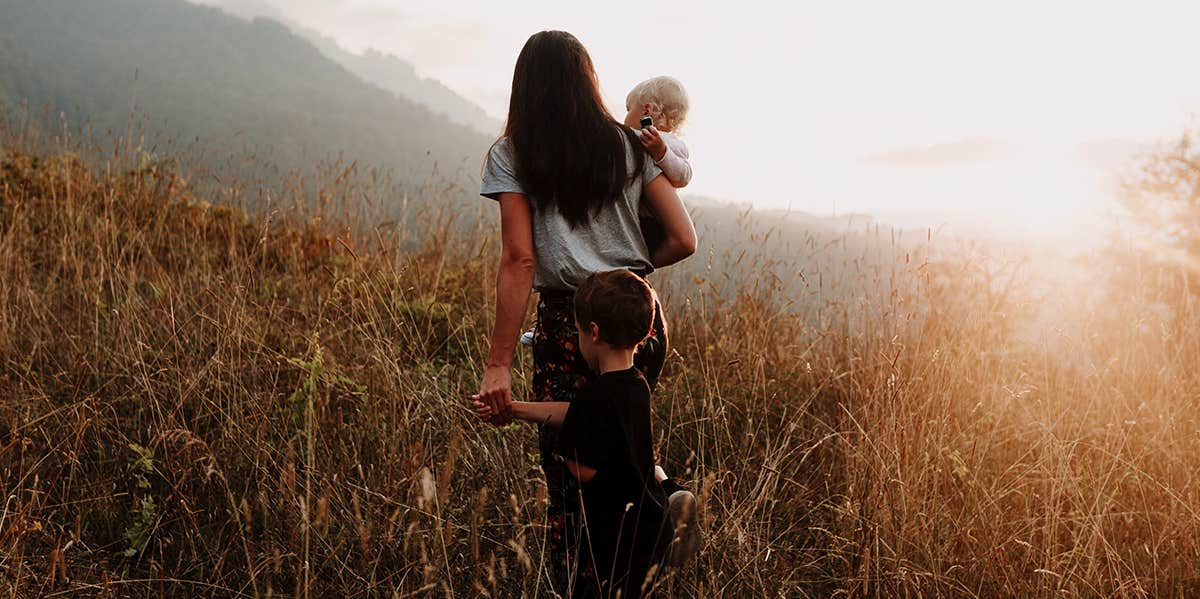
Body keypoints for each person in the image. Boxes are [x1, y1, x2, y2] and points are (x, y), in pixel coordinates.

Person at [475, 30, 697, 597]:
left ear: (525, 88)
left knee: (573, 464)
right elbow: (684, 239)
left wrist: (499, 363)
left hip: (573, 321)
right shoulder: (629, 145)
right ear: (589, 82)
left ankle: (582, 582)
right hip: (638, 314)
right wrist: (633, 276)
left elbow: (520, 259)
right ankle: (656, 523)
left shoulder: (513, 154)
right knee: (626, 440)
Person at [476, 270, 681, 597]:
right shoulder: (637, 385)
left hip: (614, 540)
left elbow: (583, 467)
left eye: (579, 333)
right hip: (647, 527)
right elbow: (578, 414)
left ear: (594, 333)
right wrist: (515, 409)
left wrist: (565, 451)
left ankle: (665, 486)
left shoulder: (595, 395)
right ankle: (666, 487)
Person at [520, 75, 693, 347]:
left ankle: (554, 321)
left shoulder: (660, 144)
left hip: (649, 224)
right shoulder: (640, 142)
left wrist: (661, 154)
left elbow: (684, 176)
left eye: (629, 108)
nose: (624, 116)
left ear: (647, 110)